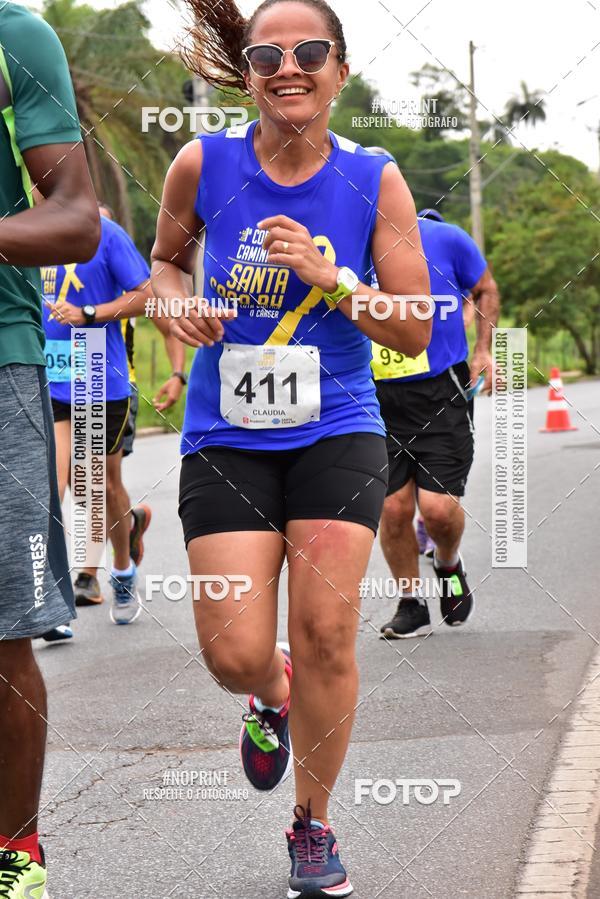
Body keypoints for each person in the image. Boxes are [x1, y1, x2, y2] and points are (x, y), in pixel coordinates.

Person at [151, 1, 431, 894]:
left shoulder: (374, 178)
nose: (289, 67)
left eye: (310, 51)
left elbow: (415, 327)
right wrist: (174, 305)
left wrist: (331, 277)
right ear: (248, 74)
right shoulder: (203, 163)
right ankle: (269, 693)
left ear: (340, 70)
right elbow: (165, 264)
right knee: (234, 650)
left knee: (325, 635)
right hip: (226, 432)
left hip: (338, 427)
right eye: (267, 55)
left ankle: (313, 824)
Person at [0, 4, 100, 896]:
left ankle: (15, 856)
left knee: (2, 638)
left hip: (2, 362)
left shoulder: (14, 38)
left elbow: (75, 221)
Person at [375, 205, 500, 638]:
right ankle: (411, 604)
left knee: (439, 511)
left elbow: (486, 288)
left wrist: (482, 351)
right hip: (374, 396)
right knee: (393, 508)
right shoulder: (350, 242)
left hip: (440, 391)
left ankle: (447, 564)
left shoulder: (447, 239)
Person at [40, 207, 154, 625]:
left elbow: (148, 296)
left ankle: (122, 570)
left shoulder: (105, 233)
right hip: (52, 376)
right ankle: (50, 599)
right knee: (55, 485)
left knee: (101, 486)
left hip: (97, 374)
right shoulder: (32, 231)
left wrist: (88, 314)